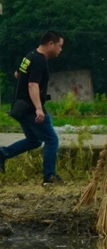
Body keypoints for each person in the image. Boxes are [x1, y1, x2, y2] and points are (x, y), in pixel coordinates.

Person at [3, 30, 64, 184]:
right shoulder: (39, 60)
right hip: (30, 109)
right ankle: (49, 176)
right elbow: (32, 84)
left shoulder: (29, 57)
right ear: (51, 44)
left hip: (20, 107)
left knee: (34, 140)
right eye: (59, 46)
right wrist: (38, 108)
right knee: (52, 140)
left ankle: (2, 154)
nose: (60, 50)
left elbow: (18, 74)